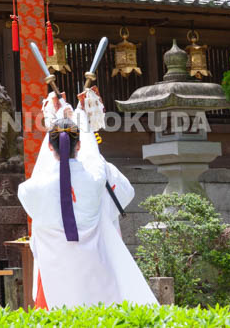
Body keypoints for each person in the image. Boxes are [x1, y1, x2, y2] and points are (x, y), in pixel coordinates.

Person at [17, 94, 157, 309]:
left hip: (55, 268)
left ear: (49, 148)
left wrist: (56, 118)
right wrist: (82, 115)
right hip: (94, 264)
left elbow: (38, 179)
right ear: (79, 146)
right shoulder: (96, 178)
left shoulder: (31, 189)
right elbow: (94, 155)